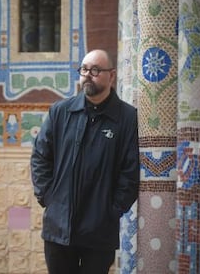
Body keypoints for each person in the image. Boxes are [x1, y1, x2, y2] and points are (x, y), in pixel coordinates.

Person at [30, 49, 140, 274]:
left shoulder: (127, 118)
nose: (88, 74)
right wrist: (48, 197)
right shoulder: (60, 111)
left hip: (99, 233)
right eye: (84, 69)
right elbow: (40, 157)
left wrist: (113, 209)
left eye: (96, 70)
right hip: (59, 229)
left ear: (111, 75)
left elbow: (130, 172)